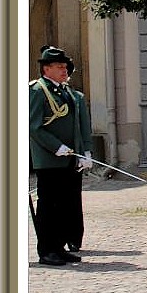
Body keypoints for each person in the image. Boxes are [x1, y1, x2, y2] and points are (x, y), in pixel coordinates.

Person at [28, 46, 93, 266]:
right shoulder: (38, 91)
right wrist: (57, 147)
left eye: (65, 67)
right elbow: (34, 126)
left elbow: (75, 125)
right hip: (49, 158)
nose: (65, 70)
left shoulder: (64, 92)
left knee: (65, 205)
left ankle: (59, 246)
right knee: (49, 206)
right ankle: (46, 250)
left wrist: (84, 151)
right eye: (59, 67)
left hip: (68, 158)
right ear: (47, 69)